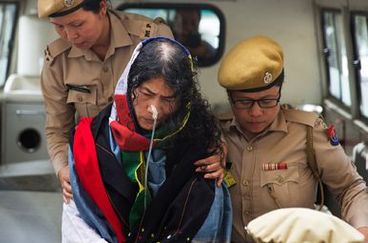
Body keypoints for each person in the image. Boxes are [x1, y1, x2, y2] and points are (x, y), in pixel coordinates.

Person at [37, 0, 224, 203]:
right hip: (94, 171)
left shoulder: (152, 38)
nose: (70, 35)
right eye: (59, 27)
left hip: (154, 169)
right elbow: (57, 129)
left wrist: (215, 146)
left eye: (78, 24)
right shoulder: (57, 61)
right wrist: (63, 168)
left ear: (102, 8)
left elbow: (184, 105)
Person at [64, 37, 232, 242]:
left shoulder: (200, 148)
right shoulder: (91, 140)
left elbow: (203, 226)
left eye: (168, 99)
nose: (154, 108)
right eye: (147, 93)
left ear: (183, 101)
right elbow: (77, 219)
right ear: (130, 84)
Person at [217, 36, 368, 242]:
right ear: (230, 99)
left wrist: (363, 230)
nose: (256, 112)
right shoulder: (214, 132)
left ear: (279, 94)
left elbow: (350, 187)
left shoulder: (308, 132)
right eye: (244, 102)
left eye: (267, 101)